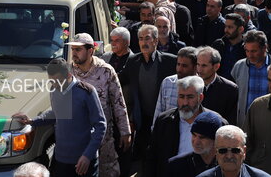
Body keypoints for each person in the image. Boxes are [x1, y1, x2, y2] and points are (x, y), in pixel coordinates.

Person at [13, 58, 106, 177]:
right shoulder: (54, 89)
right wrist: (32, 121)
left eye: (57, 81)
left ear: (68, 75)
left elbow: (100, 126)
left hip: (84, 162)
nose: (54, 85)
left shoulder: (86, 92)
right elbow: (56, 113)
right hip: (61, 160)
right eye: (51, 81)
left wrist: (87, 155)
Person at [69, 33, 131, 177]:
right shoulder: (68, 73)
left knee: (108, 171)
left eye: (78, 50)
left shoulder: (106, 71)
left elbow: (118, 102)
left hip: (104, 137)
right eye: (73, 49)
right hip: (78, 138)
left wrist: (125, 131)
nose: (74, 54)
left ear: (90, 51)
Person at [146, 76, 226, 177]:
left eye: (190, 97)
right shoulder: (164, 121)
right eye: (181, 97)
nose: (185, 103)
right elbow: (152, 157)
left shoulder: (218, 123)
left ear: (200, 97)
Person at [121, 25, 177, 161]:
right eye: (140, 39)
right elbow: (119, 79)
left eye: (147, 38)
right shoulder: (133, 61)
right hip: (142, 120)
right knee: (144, 158)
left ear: (156, 41)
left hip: (163, 119)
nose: (143, 42)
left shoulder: (170, 61)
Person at [230, 30, 271, 126]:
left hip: (269, 123)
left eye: (254, 51)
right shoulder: (239, 67)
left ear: (265, 48)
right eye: (247, 51)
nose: (250, 55)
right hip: (244, 123)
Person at [165, 111, 225, 177]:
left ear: (215, 140)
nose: (196, 142)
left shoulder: (226, 166)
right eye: (194, 135)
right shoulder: (175, 165)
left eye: (202, 137)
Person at [153, 47, 198, 123]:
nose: (179, 69)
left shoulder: (201, 86)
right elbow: (159, 111)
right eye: (178, 64)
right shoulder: (167, 82)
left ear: (195, 67)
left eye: (184, 66)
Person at [196, 46, 238, 125]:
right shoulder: (191, 86)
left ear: (216, 67)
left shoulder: (230, 89)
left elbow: (230, 122)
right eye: (198, 64)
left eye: (204, 65)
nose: (199, 70)